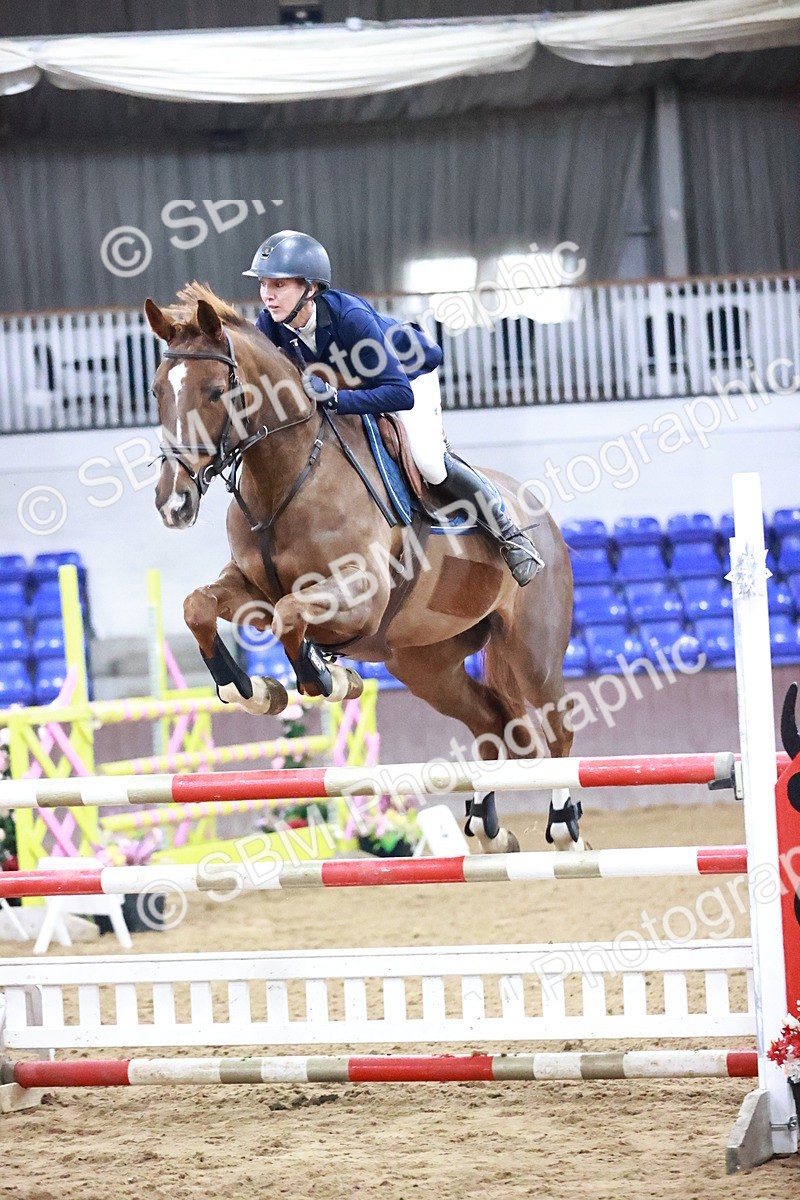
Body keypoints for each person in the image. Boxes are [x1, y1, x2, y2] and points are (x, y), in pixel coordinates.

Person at [244, 229, 544, 585]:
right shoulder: (270, 325)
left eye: (278, 286)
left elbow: (400, 394)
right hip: (349, 388)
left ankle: (510, 534)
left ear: (309, 288)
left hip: (406, 373)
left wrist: (337, 400)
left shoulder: (349, 318)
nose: (267, 295)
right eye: (263, 285)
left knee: (429, 461)